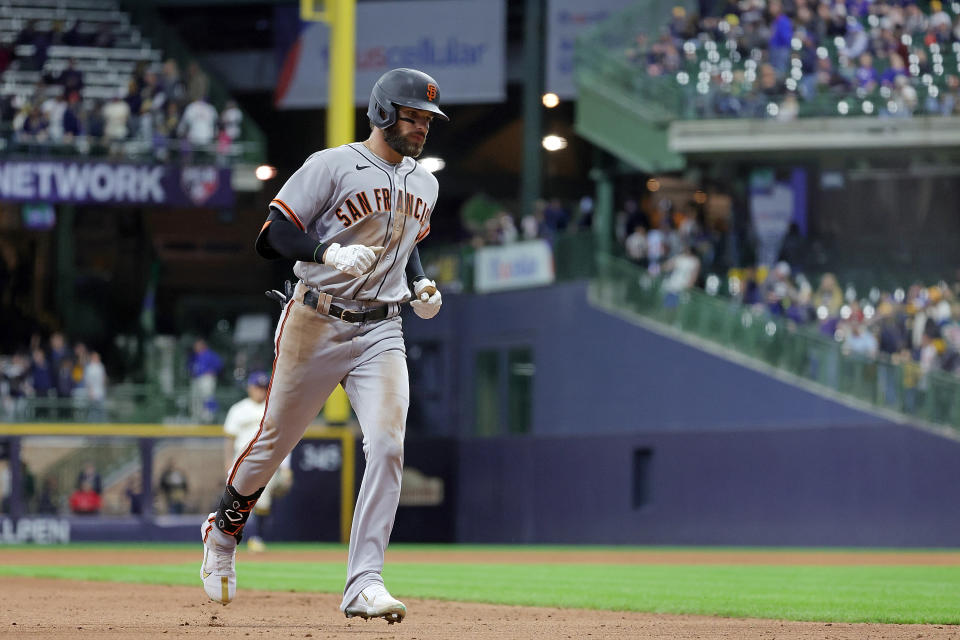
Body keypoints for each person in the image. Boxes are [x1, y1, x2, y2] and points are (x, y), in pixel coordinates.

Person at [200, 68, 446, 624]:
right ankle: (223, 531)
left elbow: (406, 244)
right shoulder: (332, 164)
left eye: (429, 118)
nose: (423, 126)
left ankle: (365, 581)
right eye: (413, 115)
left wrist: (421, 283)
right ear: (384, 113)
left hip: (382, 327)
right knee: (273, 442)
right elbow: (272, 236)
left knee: (387, 444)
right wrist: (326, 252)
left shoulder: (426, 182)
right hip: (316, 317)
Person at [222, 371, 293, 552]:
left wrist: (286, 468)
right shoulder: (238, 409)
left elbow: (283, 440)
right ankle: (231, 538)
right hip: (242, 461)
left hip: (267, 462)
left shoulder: (274, 409)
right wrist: (228, 463)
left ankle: (256, 537)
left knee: (261, 500)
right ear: (249, 388)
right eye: (257, 387)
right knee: (236, 502)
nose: (260, 391)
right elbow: (229, 440)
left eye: (263, 387)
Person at [189, 339, 222, 423]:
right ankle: (197, 417)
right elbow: (190, 366)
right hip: (196, 378)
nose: (196, 347)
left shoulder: (209, 354)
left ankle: (209, 417)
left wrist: (212, 370)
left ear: (203, 345)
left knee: (207, 396)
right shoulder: (194, 356)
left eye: (198, 345)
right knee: (196, 398)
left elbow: (219, 364)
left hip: (207, 378)